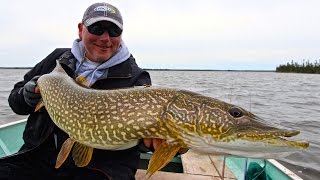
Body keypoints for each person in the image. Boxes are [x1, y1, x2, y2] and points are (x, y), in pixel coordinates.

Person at [0, 2, 183, 180]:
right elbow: (15, 103)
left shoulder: (136, 78)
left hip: (103, 169)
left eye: (113, 31)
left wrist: (149, 144)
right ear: (81, 29)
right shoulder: (56, 59)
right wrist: (27, 95)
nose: (105, 38)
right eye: (97, 28)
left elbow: (139, 139)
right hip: (39, 156)